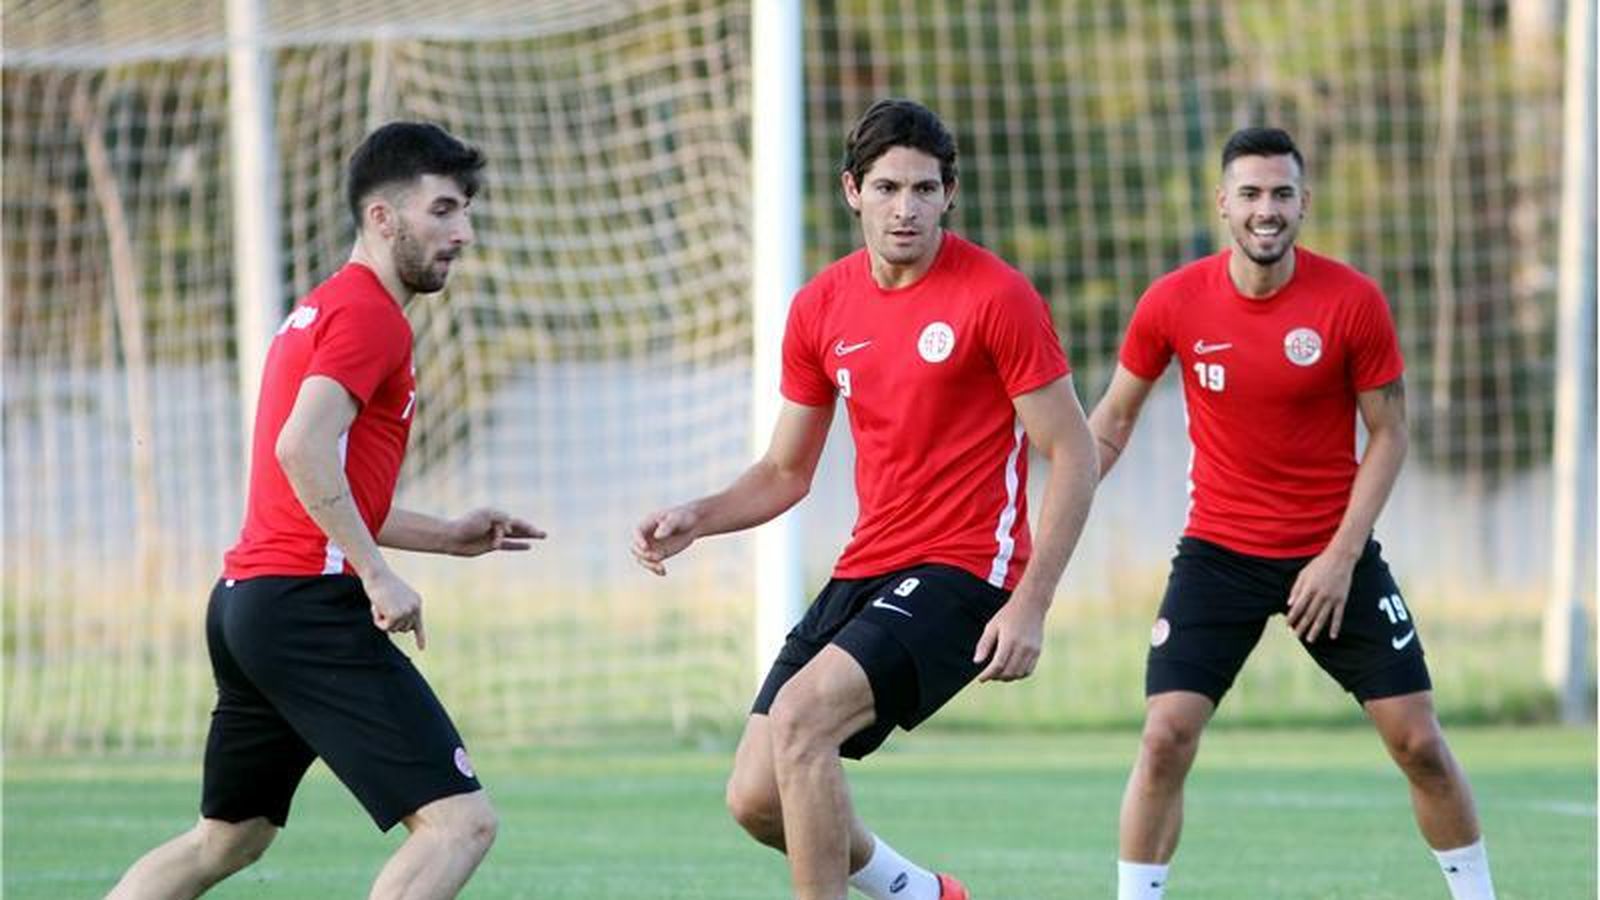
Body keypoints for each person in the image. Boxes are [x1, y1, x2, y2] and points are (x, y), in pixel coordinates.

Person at [632, 98, 1098, 900]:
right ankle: (921, 893)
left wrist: (1031, 603)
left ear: (949, 193)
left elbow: (1075, 452)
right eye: (887, 188)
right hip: (866, 567)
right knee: (754, 796)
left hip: (965, 571)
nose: (905, 208)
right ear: (853, 190)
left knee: (805, 719)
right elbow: (785, 470)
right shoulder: (821, 306)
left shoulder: (998, 297)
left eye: (923, 189)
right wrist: (696, 518)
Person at [107, 122, 542, 900]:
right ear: (383, 218)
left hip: (252, 604)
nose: (463, 233)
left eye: (466, 210)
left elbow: (321, 484)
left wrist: (445, 535)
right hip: (305, 607)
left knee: (227, 838)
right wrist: (379, 577)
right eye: (443, 210)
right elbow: (301, 450)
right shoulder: (371, 315)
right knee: (460, 824)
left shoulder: (326, 308)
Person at [1090, 126, 1497, 900]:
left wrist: (1342, 556)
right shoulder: (1172, 302)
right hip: (1218, 552)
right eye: (1249, 194)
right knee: (1165, 735)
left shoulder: (1352, 301)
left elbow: (1390, 434)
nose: (1265, 210)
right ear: (1222, 205)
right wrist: (1054, 501)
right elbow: (1109, 424)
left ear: (1304, 204)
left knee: (1418, 743)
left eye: (1281, 194)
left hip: (1331, 551)